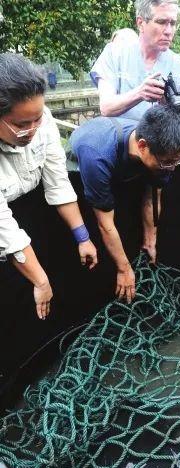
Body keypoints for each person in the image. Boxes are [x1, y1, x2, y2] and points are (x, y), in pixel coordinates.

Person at [0, 53, 97, 320]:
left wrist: (83, 238)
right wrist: (41, 282)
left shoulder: (43, 123)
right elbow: (6, 232)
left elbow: (58, 183)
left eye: (37, 119)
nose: (32, 130)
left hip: (29, 210)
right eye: (21, 124)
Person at [71, 104, 180, 303]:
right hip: (85, 151)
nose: (172, 168)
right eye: (168, 162)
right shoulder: (96, 156)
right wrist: (124, 268)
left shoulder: (164, 151)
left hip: (124, 151)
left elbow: (152, 196)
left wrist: (150, 240)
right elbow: (105, 223)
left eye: (177, 161)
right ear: (143, 146)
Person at [90, 0, 180, 120]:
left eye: (172, 23)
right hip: (120, 137)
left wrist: (166, 104)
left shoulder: (178, 65)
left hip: (159, 137)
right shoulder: (115, 54)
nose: (168, 31)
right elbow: (106, 107)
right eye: (161, 22)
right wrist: (140, 93)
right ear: (140, 23)